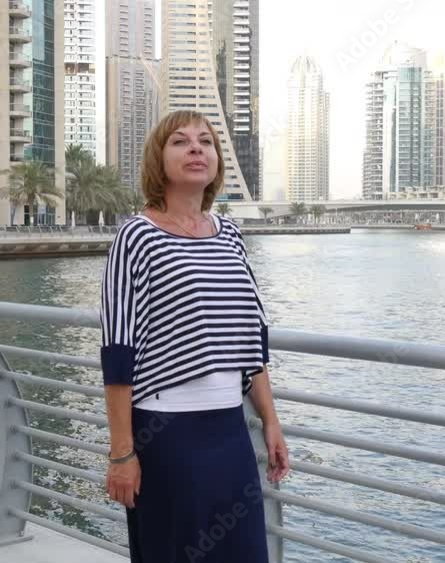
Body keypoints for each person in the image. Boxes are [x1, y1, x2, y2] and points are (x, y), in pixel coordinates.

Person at [100, 110, 290, 563]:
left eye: (205, 141)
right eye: (180, 141)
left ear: (218, 160)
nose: (196, 149)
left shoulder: (230, 235)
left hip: (229, 430)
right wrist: (122, 453)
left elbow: (252, 340)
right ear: (158, 159)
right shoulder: (137, 236)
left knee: (244, 553)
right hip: (167, 434)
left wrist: (271, 421)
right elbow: (118, 351)